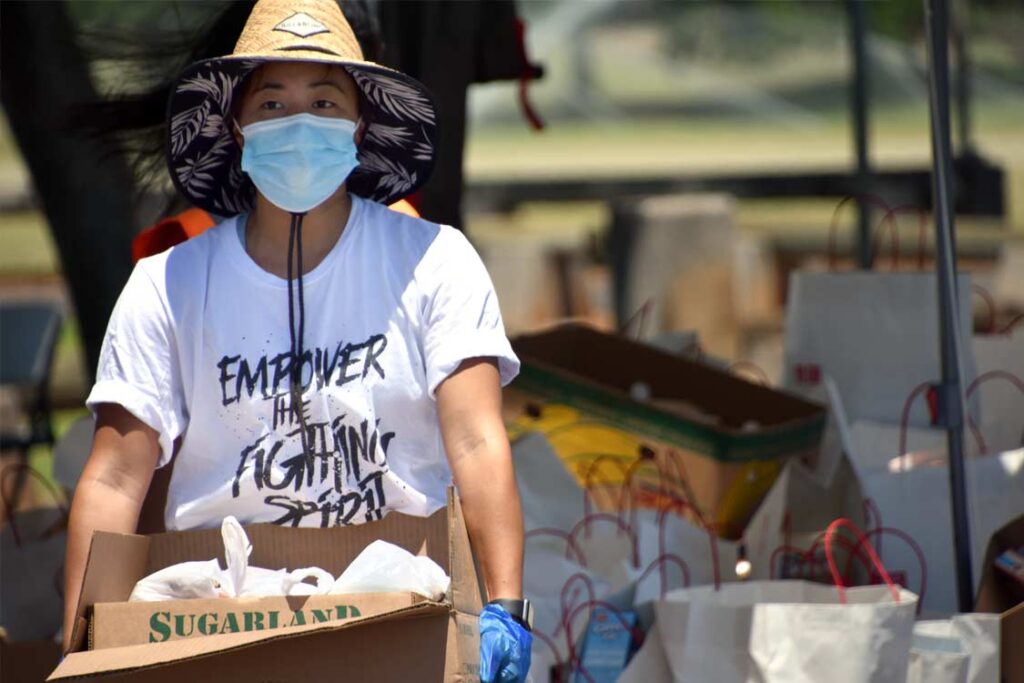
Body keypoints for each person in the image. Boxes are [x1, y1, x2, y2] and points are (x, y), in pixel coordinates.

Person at [62, 0, 531, 679]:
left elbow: (477, 440)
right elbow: (112, 476)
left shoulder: (434, 260)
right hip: (217, 623)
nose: (300, 122)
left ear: (360, 123)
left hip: (402, 609)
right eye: (274, 103)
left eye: (324, 99)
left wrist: (506, 605)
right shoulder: (168, 283)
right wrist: (81, 644)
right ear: (238, 126)